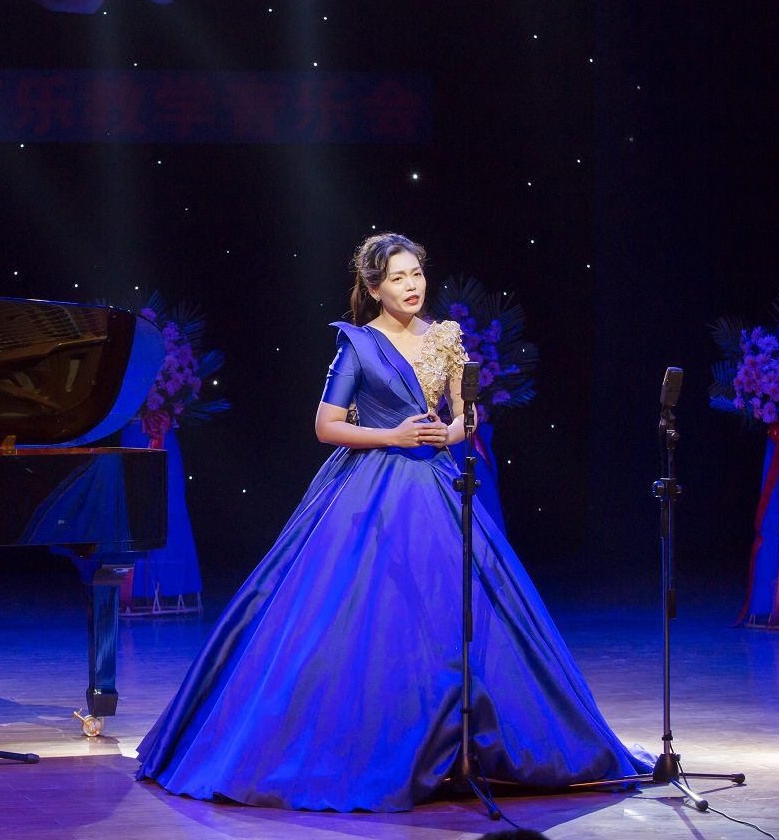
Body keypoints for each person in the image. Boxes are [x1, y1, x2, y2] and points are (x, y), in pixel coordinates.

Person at [136, 233, 649, 812]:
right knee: (354, 610)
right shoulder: (357, 344)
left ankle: (467, 741)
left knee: (459, 606)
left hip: (435, 479)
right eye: (398, 278)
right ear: (375, 288)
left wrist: (446, 433)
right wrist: (394, 435)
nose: (412, 286)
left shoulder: (446, 337)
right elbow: (326, 426)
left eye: (417, 274)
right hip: (369, 484)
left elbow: (467, 415)